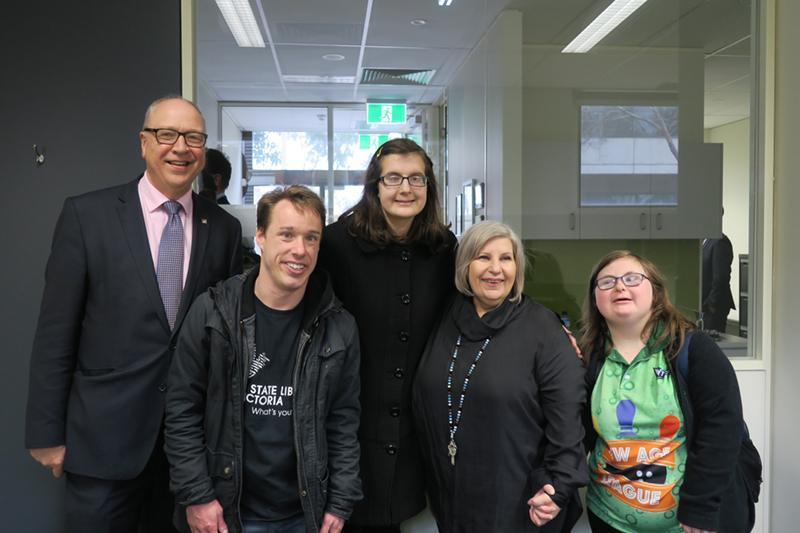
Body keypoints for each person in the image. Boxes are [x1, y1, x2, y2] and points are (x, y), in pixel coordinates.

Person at [24, 95, 243, 532]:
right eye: (167, 135)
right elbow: (55, 332)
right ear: (144, 143)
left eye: (194, 137)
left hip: (188, 450)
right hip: (103, 442)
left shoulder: (222, 229)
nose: (181, 147)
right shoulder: (88, 215)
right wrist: (46, 433)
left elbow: (225, 335)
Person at [165, 186, 362, 533]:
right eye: (286, 235)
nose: (299, 250)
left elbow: (344, 421)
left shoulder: (339, 326)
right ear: (260, 237)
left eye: (311, 238)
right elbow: (182, 411)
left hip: (305, 512)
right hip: (227, 511)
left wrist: (341, 501)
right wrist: (196, 496)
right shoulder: (213, 313)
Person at [412, 221, 588, 533]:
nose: (495, 269)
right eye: (483, 257)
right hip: (452, 498)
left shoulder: (542, 329)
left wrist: (558, 487)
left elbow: (567, 417)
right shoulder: (444, 318)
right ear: (465, 265)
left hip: (519, 502)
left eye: (506, 259)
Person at [318, 139, 456, 531]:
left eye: (417, 178)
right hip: (347, 427)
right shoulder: (336, 244)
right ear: (374, 185)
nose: (405, 189)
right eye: (393, 178)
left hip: (414, 432)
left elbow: (475, 308)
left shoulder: (443, 249)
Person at [580, 250, 750, 533]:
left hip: (686, 523)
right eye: (607, 282)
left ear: (655, 292)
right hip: (609, 517)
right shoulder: (588, 358)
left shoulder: (693, 349)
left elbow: (722, 430)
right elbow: (575, 433)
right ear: (595, 299)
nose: (620, 286)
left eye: (632, 278)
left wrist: (700, 508)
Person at [702, 234, 736, 332]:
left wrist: (711, 304)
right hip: (704, 306)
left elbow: (721, 277)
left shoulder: (719, 242)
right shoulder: (705, 240)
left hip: (713, 307)